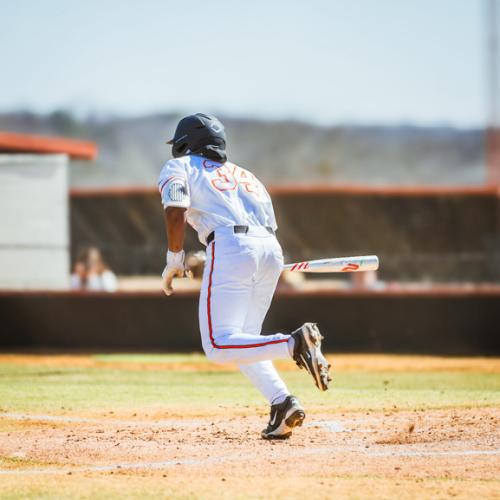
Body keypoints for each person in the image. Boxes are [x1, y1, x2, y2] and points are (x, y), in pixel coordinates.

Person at [158, 113, 331, 439]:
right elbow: (262, 229)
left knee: (217, 345)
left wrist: (174, 258)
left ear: (185, 142)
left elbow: (174, 208)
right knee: (245, 340)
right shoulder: (247, 176)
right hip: (268, 248)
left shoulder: (180, 167)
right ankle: (283, 404)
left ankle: (295, 343)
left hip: (230, 244)